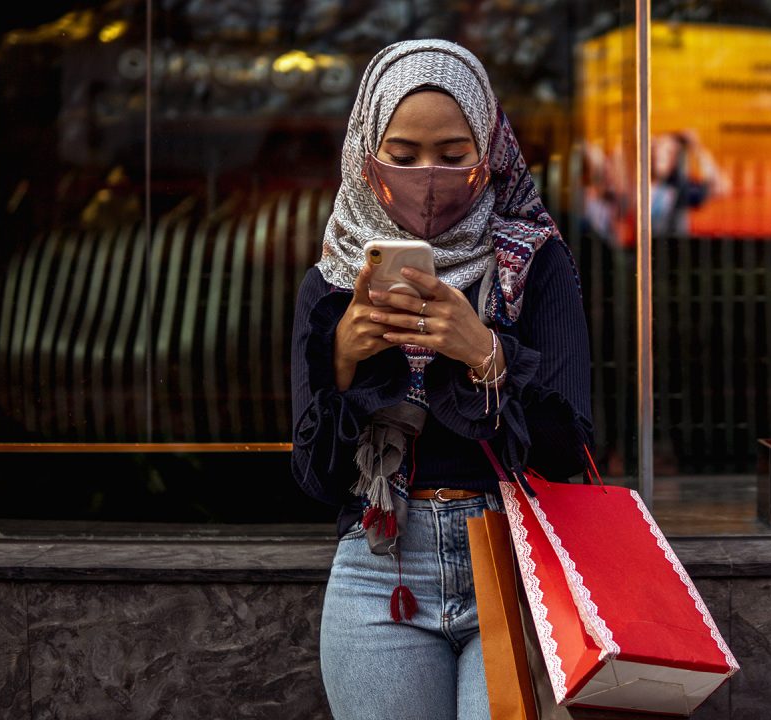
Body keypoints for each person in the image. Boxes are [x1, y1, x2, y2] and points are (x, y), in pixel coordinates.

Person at [289, 39, 593, 720]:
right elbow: (314, 478)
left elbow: (570, 446)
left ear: (489, 149)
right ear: (367, 152)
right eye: (403, 155)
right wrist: (341, 361)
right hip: (378, 574)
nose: (430, 176)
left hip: (515, 569)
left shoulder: (534, 265)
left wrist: (486, 352)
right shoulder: (332, 286)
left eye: (455, 156)